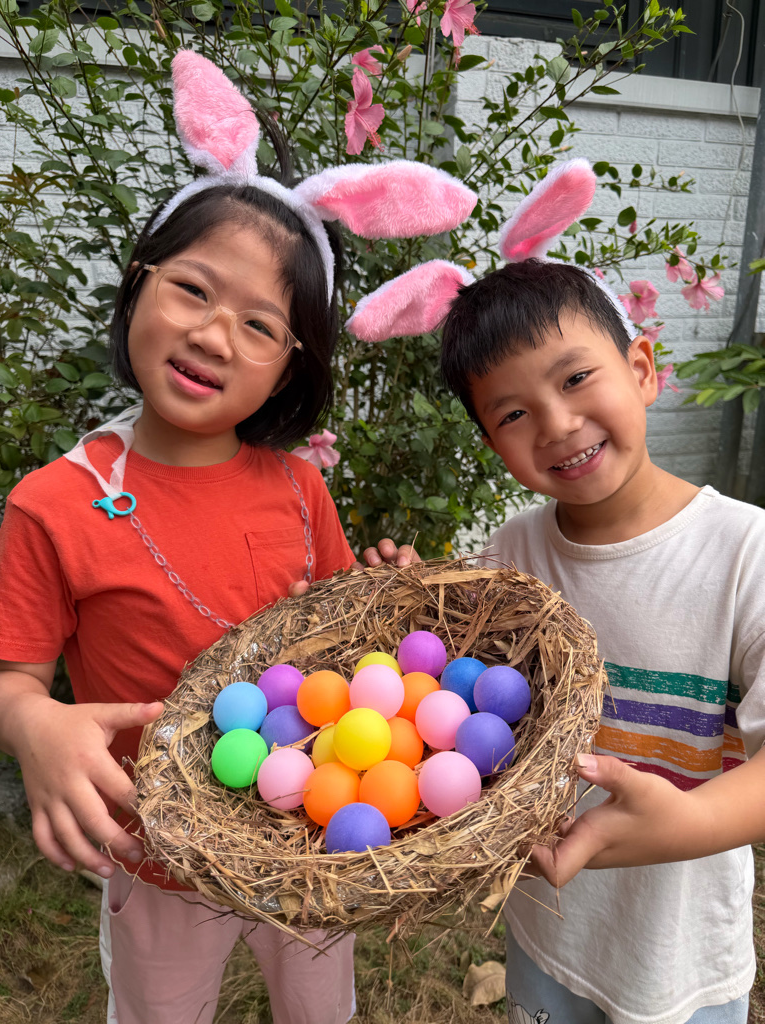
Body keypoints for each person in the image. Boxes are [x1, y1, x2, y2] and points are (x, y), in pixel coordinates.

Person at [0, 51, 475, 1024]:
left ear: (292, 368)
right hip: (159, 851)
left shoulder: (299, 489)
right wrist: (30, 723)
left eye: (261, 325)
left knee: (318, 1006)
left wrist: (389, 608)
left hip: (310, 833)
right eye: (192, 290)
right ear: (138, 284)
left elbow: (346, 646)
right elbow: (14, 675)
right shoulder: (55, 503)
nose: (216, 335)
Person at [347, 159, 765, 1024]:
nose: (559, 424)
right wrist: (413, 610)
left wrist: (679, 826)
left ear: (642, 368)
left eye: (576, 379)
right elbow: (459, 684)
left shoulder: (743, 553)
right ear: (491, 442)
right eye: (512, 414)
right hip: (548, 927)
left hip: (677, 954)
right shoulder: (514, 551)